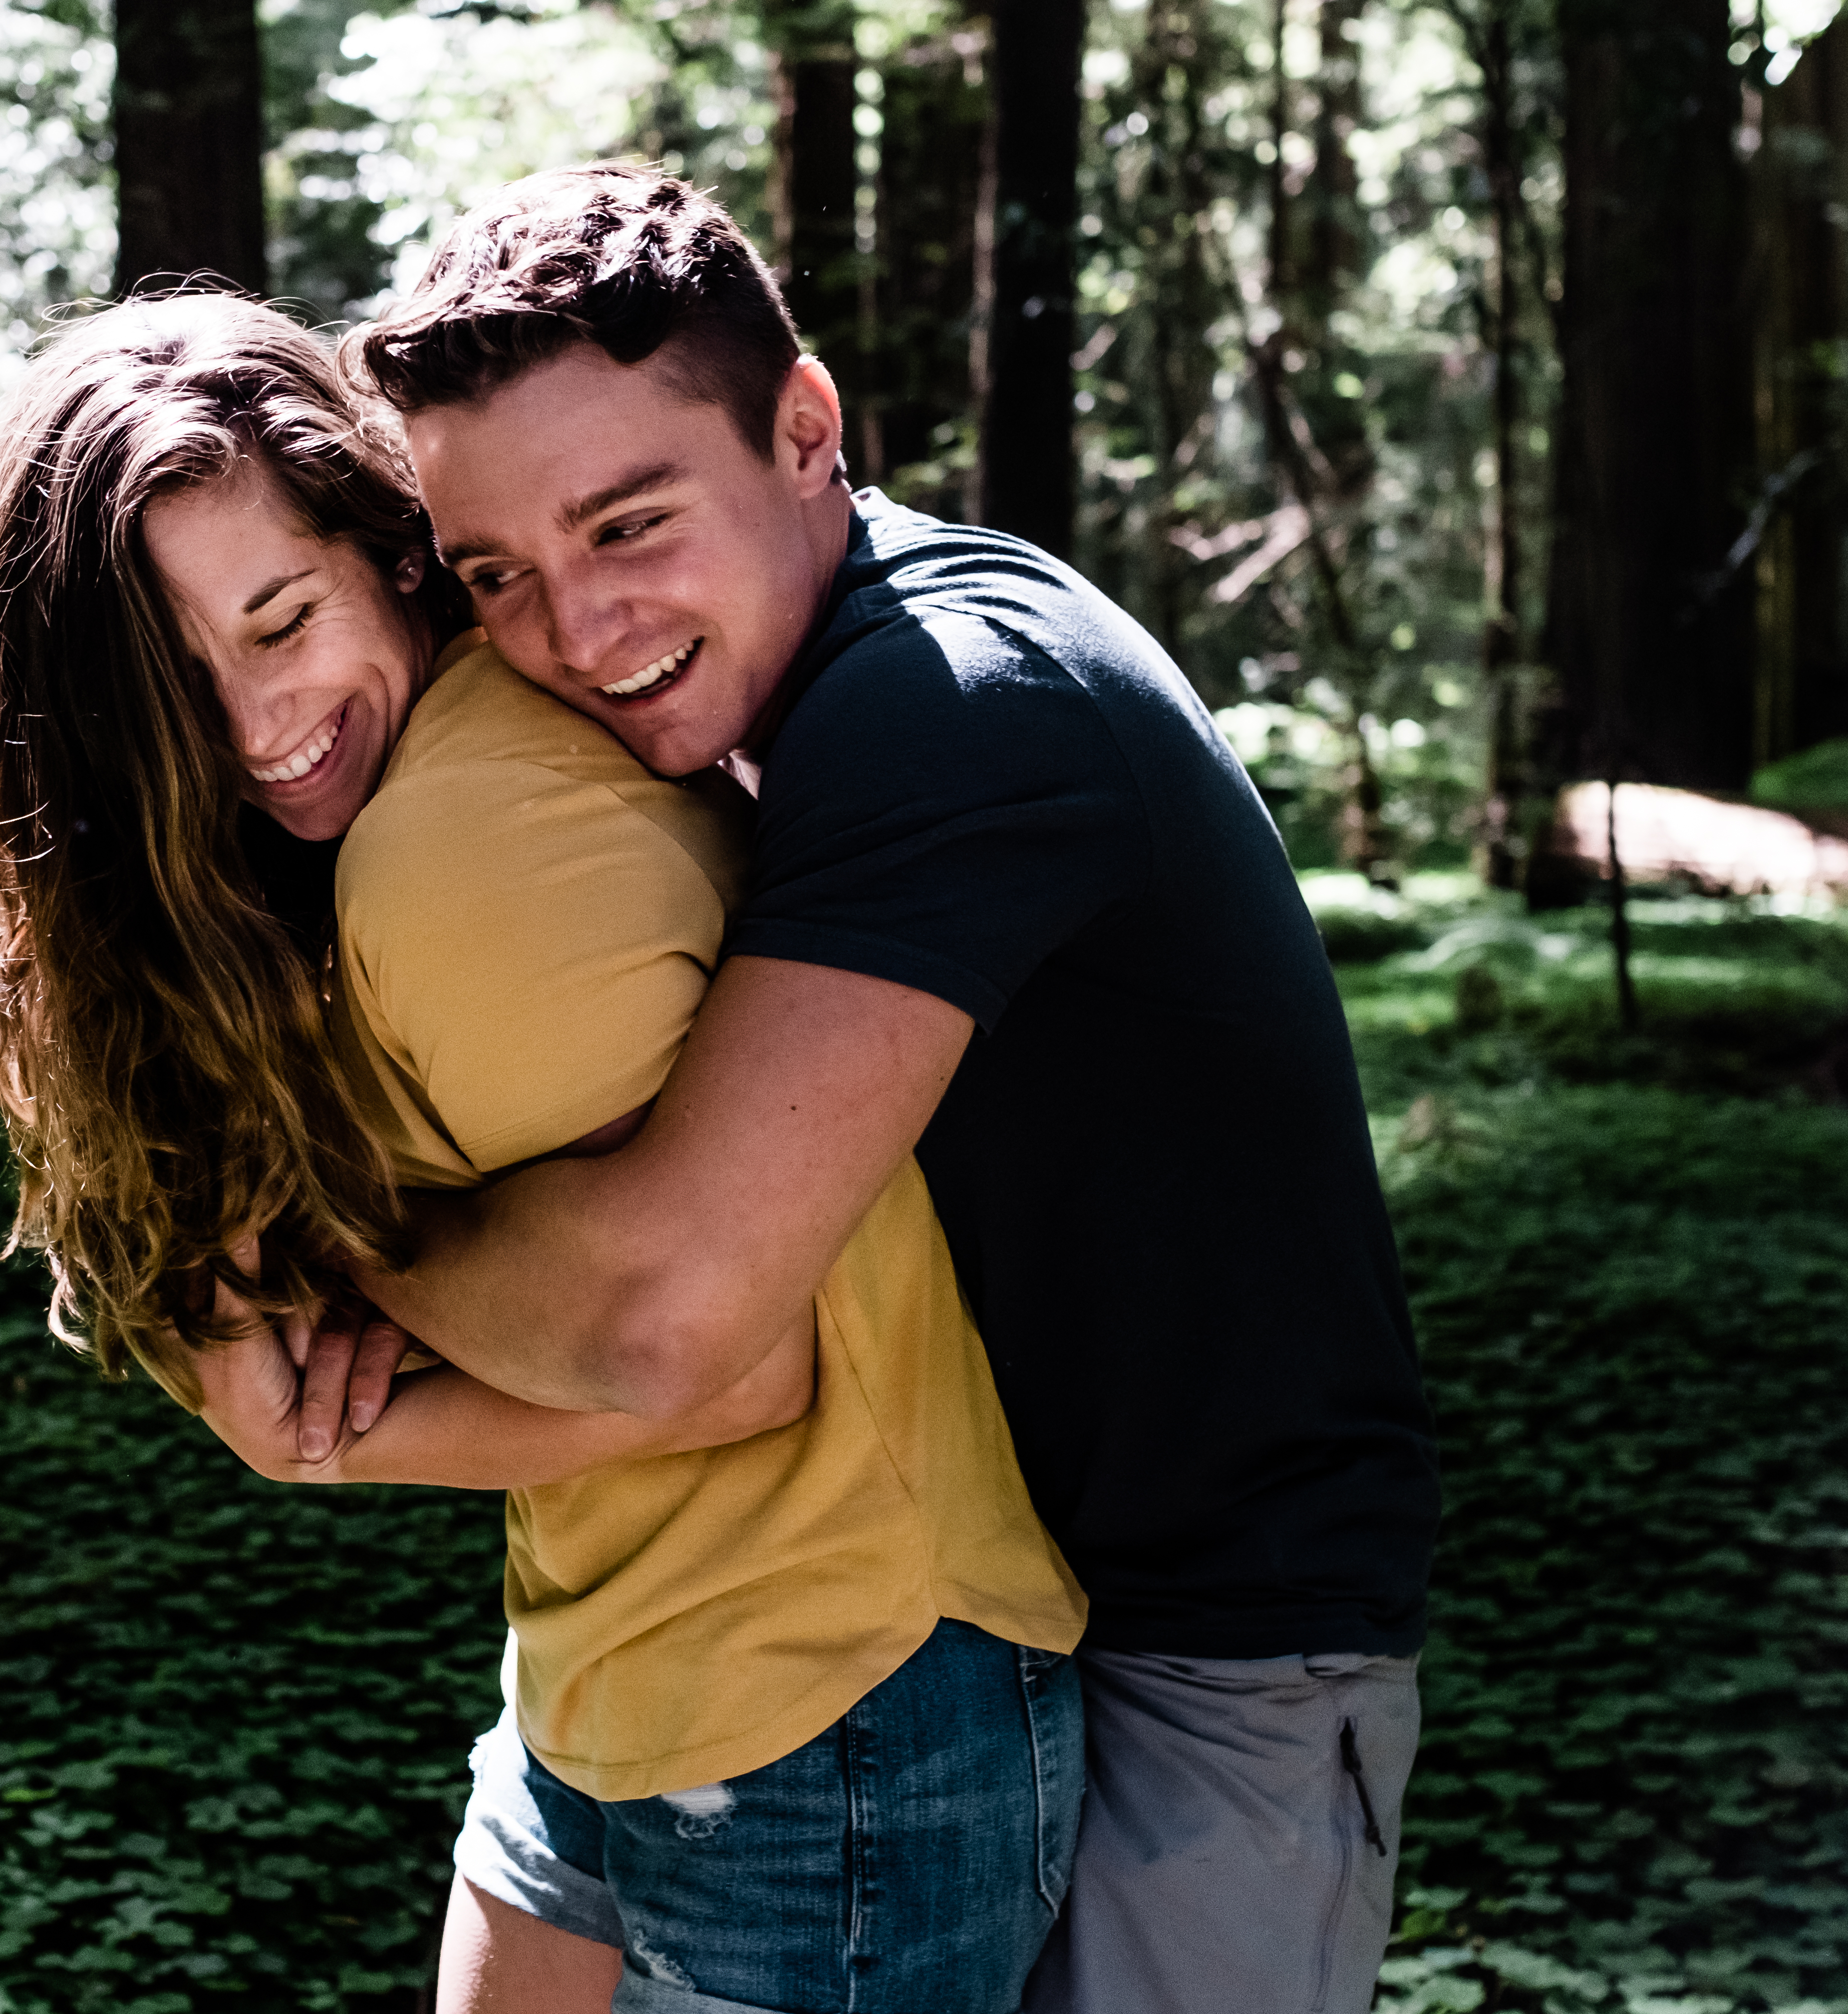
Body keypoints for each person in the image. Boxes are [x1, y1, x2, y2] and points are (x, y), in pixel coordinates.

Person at [311, 166, 1445, 2014]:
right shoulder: (794, 675)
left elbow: (670, 1316)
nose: (576, 634)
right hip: (952, 1607)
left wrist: (345, 1239)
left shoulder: (950, 700)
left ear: (805, 427)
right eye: (499, 574)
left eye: (628, 525)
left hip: (1212, 1643)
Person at [0, 291, 1087, 2014]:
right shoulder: (381, 816)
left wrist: (331, 1431)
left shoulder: (466, 845)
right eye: (175, 687)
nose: (254, 729)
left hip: (824, 1693)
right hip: (634, 1657)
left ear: (386, 551)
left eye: (279, 619)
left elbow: (719, 1369)